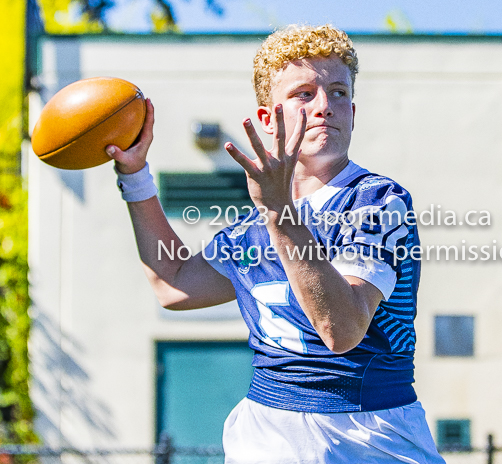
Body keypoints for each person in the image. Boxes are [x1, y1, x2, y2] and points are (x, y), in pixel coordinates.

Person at [106, 24, 445, 464]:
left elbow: (341, 330)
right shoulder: (256, 223)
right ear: (268, 119)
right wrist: (135, 176)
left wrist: (280, 214)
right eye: (304, 93)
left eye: (339, 93)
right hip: (267, 430)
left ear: (354, 112)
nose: (325, 106)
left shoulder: (376, 200)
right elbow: (173, 283)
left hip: (366, 432)